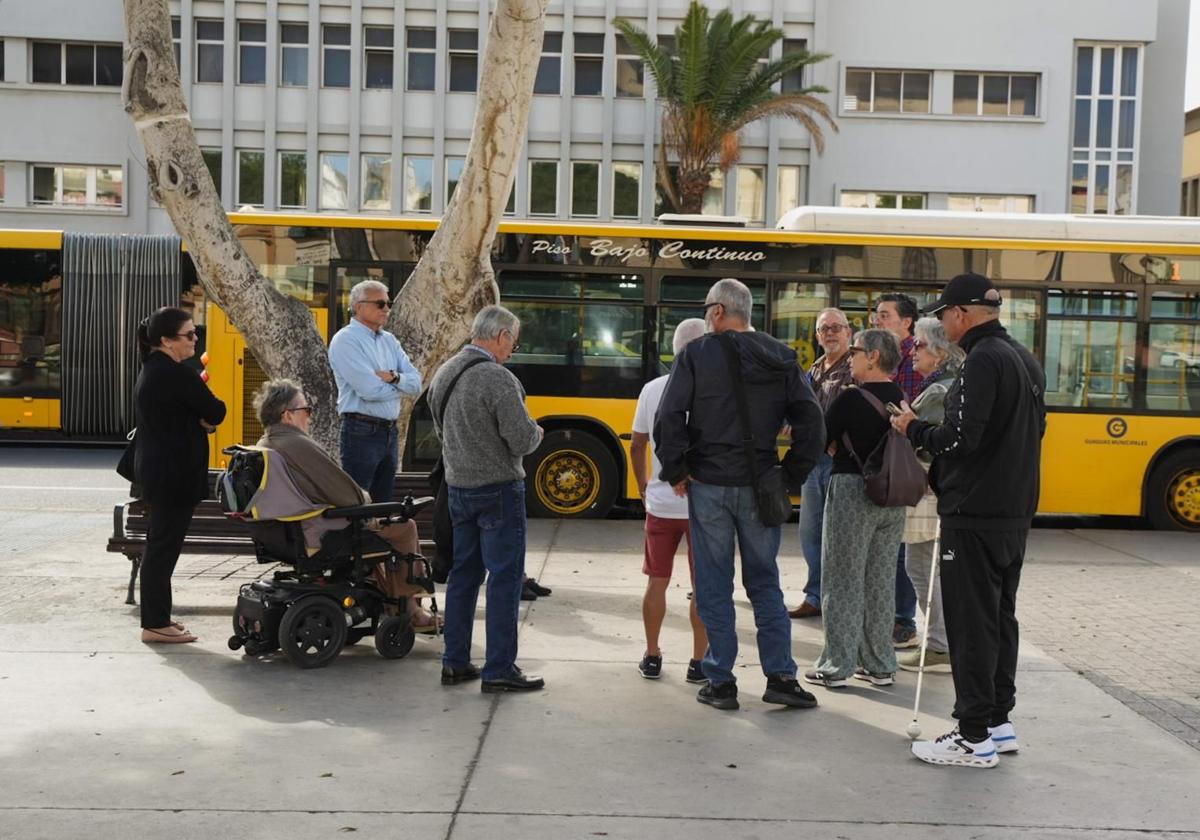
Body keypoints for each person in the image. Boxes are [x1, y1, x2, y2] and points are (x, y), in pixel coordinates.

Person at [892, 272, 1046, 768]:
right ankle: (999, 723)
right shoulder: (1022, 357)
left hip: (974, 511)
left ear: (961, 314)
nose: (942, 323)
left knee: (971, 620)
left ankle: (973, 733)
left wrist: (914, 429)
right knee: (999, 616)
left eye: (943, 315)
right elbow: (1035, 429)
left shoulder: (981, 361)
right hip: (1011, 509)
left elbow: (961, 439)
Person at [655, 278, 824, 712]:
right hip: (762, 483)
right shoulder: (781, 357)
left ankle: (721, 680)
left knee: (713, 583)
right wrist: (790, 476)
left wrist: (677, 469)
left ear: (717, 312)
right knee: (764, 582)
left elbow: (669, 416)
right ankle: (781, 677)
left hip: (709, 484)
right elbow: (812, 423)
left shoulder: (695, 354)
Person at [253, 379, 440, 632]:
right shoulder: (296, 444)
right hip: (324, 533)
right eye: (306, 410)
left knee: (383, 528)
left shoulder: (266, 443)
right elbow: (347, 494)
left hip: (292, 533)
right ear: (288, 415)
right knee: (405, 527)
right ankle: (409, 608)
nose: (309, 417)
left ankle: (396, 601)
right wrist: (365, 500)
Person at [428, 305, 545, 693]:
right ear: (500, 337)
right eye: (513, 339)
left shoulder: (445, 371)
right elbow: (522, 439)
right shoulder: (498, 379)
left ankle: (455, 661)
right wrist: (538, 431)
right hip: (498, 490)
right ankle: (498, 669)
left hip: (458, 488)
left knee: (464, 575)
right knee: (505, 579)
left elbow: (442, 432)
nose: (513, 348)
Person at [804, 329, 907, 689]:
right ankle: (879, 664)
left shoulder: (849, 399)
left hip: (852, 491)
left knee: (842, 579)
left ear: (874, 356)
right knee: (880, 580)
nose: (851, 357)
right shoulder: (900, 397)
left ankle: (837, 664)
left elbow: (821, 437)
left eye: (857, 351)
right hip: (892, 497)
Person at [133, 307, 226, 644]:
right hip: (174, 476)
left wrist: (199, 420)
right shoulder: (177, 374)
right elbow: (216, 411)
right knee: (162, 549)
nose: (195, 339)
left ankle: (159, 619)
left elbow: (186, 417)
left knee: (161, 547)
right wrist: (204, 421)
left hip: (160, 472)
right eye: (189, 335)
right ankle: (155, 623)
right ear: (167, 341)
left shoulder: (153, 370)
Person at [631, 317, 709, 683]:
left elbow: (638, 444)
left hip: (661, 505)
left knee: (656, 581)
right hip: (703, 507)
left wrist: (644, 485)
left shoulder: (652, 389)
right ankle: (698, 662)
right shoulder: (713, 391)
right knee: (703, 586)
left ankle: (651, 655)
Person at [895, 318, 963, 673]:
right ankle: (939, 640)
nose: (912, 352)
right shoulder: (942, 386)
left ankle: (940, 645)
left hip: (927, 492)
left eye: (919, 345)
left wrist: (905, 424)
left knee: (920, 566)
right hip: (931, 491)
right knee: (922, 566)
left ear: (939, 352)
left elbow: (928, 446)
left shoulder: (939, 392)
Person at [328, 280, 421, 504]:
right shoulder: (346, 340)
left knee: (383, 506)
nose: (387, 309)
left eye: (388, 303)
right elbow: (369, 390)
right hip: (361, 431)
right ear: (359, 307)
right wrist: (401, 386)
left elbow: (417, 383)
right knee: (357, 505)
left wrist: (394, 377)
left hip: (389, 431)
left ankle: (378, 539)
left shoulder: (389, 341)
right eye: (380, 304)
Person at [789, 307, 854, 620]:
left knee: (837, 536)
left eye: (836, 327)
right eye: (824, 328)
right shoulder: (813, 369)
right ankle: (815, 596)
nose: (830, 333)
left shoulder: (855, 367)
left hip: (838, 463)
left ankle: (836, 600)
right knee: (810, 533)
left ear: (848, 333)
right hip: (812, 461)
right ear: (817, 336)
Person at [873, 293, 923, 650]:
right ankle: (886, 615)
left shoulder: (911, 359)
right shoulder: (882, 355)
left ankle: (903, 621)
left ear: (906, 322)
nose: (878, 321)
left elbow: (911, 408)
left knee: (902, 544)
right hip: (880, 458)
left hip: (902, 458)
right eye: (876, 315)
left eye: (885, 315)